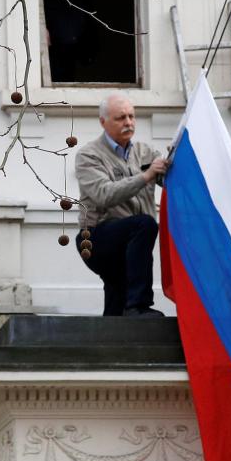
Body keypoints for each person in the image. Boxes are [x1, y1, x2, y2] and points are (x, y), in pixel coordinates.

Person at [74, 94, 169, 317]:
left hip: (130, 243)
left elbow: (170, 182)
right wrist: (146, 176)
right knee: (144, 225)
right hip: (96, 238)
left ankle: (110, 338)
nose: (128, 122)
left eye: (131, 116)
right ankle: (139, 305)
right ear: (103, 122)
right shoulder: (88, 155)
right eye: (120, 118)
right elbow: (103, 194)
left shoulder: (146, 152)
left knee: (117, 302)